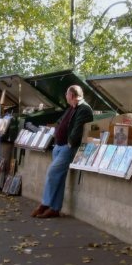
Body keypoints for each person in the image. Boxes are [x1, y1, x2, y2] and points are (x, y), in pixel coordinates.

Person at [31, 85, 93, 218]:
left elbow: (78, 128)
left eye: (66, 94)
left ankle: (45, 204)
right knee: (59, 177)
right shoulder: (71, 107)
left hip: (67, 147)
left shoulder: (84, 108)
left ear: (71, 95)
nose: (65, 96)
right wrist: (54, 131)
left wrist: (70, 143)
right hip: (58, 146)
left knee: (52, 172)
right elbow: (61, 121)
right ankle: (55, 209)